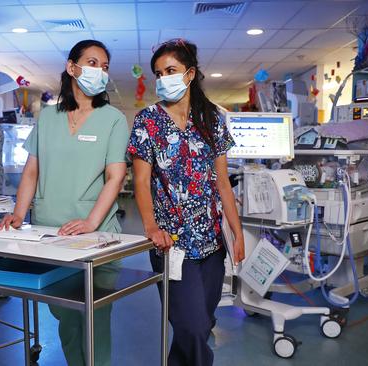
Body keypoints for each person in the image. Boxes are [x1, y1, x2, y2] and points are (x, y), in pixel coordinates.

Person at [0, 39, 129, 366]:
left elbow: (116, 177)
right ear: (72, 67)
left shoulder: (112, 119)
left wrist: (91, 222)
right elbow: (31, 171)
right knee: (66, 315)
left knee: (94, 316)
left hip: (96, 237)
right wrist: (18, 212)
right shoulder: (49, 117)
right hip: (50, 234)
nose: (99, 70)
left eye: (104, 65)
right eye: (92, 62)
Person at [127, 39, 245, 366]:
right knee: (190, 327)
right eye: (158, 73)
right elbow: (140, 181)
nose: (163, 78)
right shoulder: (147, 121)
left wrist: (235, 231)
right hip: (171, 244)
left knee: (200, 325)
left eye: (171, 70)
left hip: (211, 243)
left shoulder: (213, 121)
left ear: (190, 74)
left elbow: (223, 183)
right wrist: (150, 226)